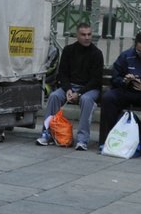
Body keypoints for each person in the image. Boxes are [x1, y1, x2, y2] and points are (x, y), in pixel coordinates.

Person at [37, 22, 104, 150]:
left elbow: (95, 80)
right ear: (77, 35)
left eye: (89, 34)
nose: (87, 37)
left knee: (86, 100)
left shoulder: (97, 54)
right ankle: (47, 133)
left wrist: (79, 93)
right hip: (70, 87)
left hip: (89, 89)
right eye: (83, 34)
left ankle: (82, 140)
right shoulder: (68, 50)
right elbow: (63, 74)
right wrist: (68, 89)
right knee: (54, 96)